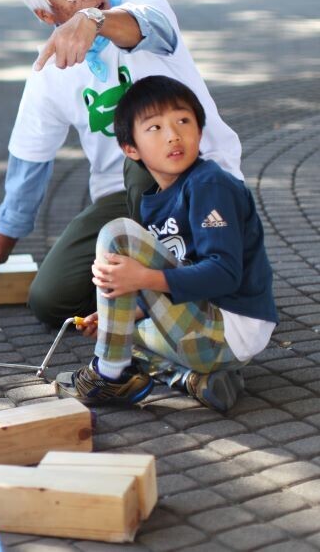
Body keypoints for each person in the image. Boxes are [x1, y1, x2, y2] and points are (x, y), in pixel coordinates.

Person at [0, 0, 244, 330]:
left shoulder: (146, 5)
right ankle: (178, 281)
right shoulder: (48, 73)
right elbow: (29, 163)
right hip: (123, 200)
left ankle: (208, 267)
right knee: (50, 299)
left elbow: (147, 27)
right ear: (44, 13)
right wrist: (0, 248)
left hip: (204, 180)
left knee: (143, 149)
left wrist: (94, 21)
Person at [54, 75, 277, 412]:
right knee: (120, 332)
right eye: (155, 128)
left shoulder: (209, 184)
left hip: (231, 326)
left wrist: (142, 279)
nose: (173, 134)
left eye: (183, 121)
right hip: (205, 329)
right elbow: (181, 276)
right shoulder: (155, 200)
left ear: (200, 131)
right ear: (131, 149)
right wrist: (123, 314)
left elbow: (223, 273)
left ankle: (107, 376)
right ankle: (194, 379)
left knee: (118, 235)